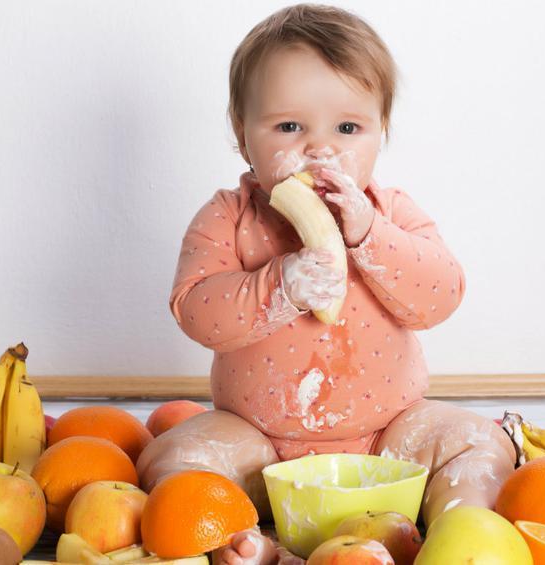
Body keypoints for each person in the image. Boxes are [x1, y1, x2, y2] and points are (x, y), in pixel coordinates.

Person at [137, 4, 516, 563]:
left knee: (482, 443)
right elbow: (196, 311)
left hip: (392, 436)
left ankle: (459, 536)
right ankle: (252, 543)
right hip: (259, 442)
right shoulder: (229, 217)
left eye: (347, 128)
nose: (320, 148)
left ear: (380, 134)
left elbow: (442, 295)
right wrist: (278, 287)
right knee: (169, 461)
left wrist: (370, 236)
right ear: (243, 137)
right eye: (289, 126)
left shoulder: (392, 213)